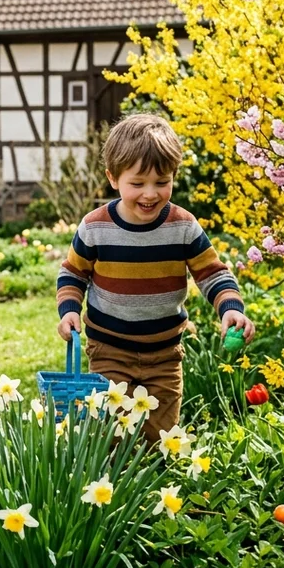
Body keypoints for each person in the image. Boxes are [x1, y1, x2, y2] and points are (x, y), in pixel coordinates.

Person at [56, 114, 255, 442]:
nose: (150, 193)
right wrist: (69, 310)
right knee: (112, 434)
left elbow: (211, 272)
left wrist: (230, 307)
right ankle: (114, 487)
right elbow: (73, 273)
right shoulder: (95, 227)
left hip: (164, 353)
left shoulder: (183, 226)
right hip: (109, 349)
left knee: (161, 437)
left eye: (161, 182)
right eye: (138, 183)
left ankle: (158, 489)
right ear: (113, 178)